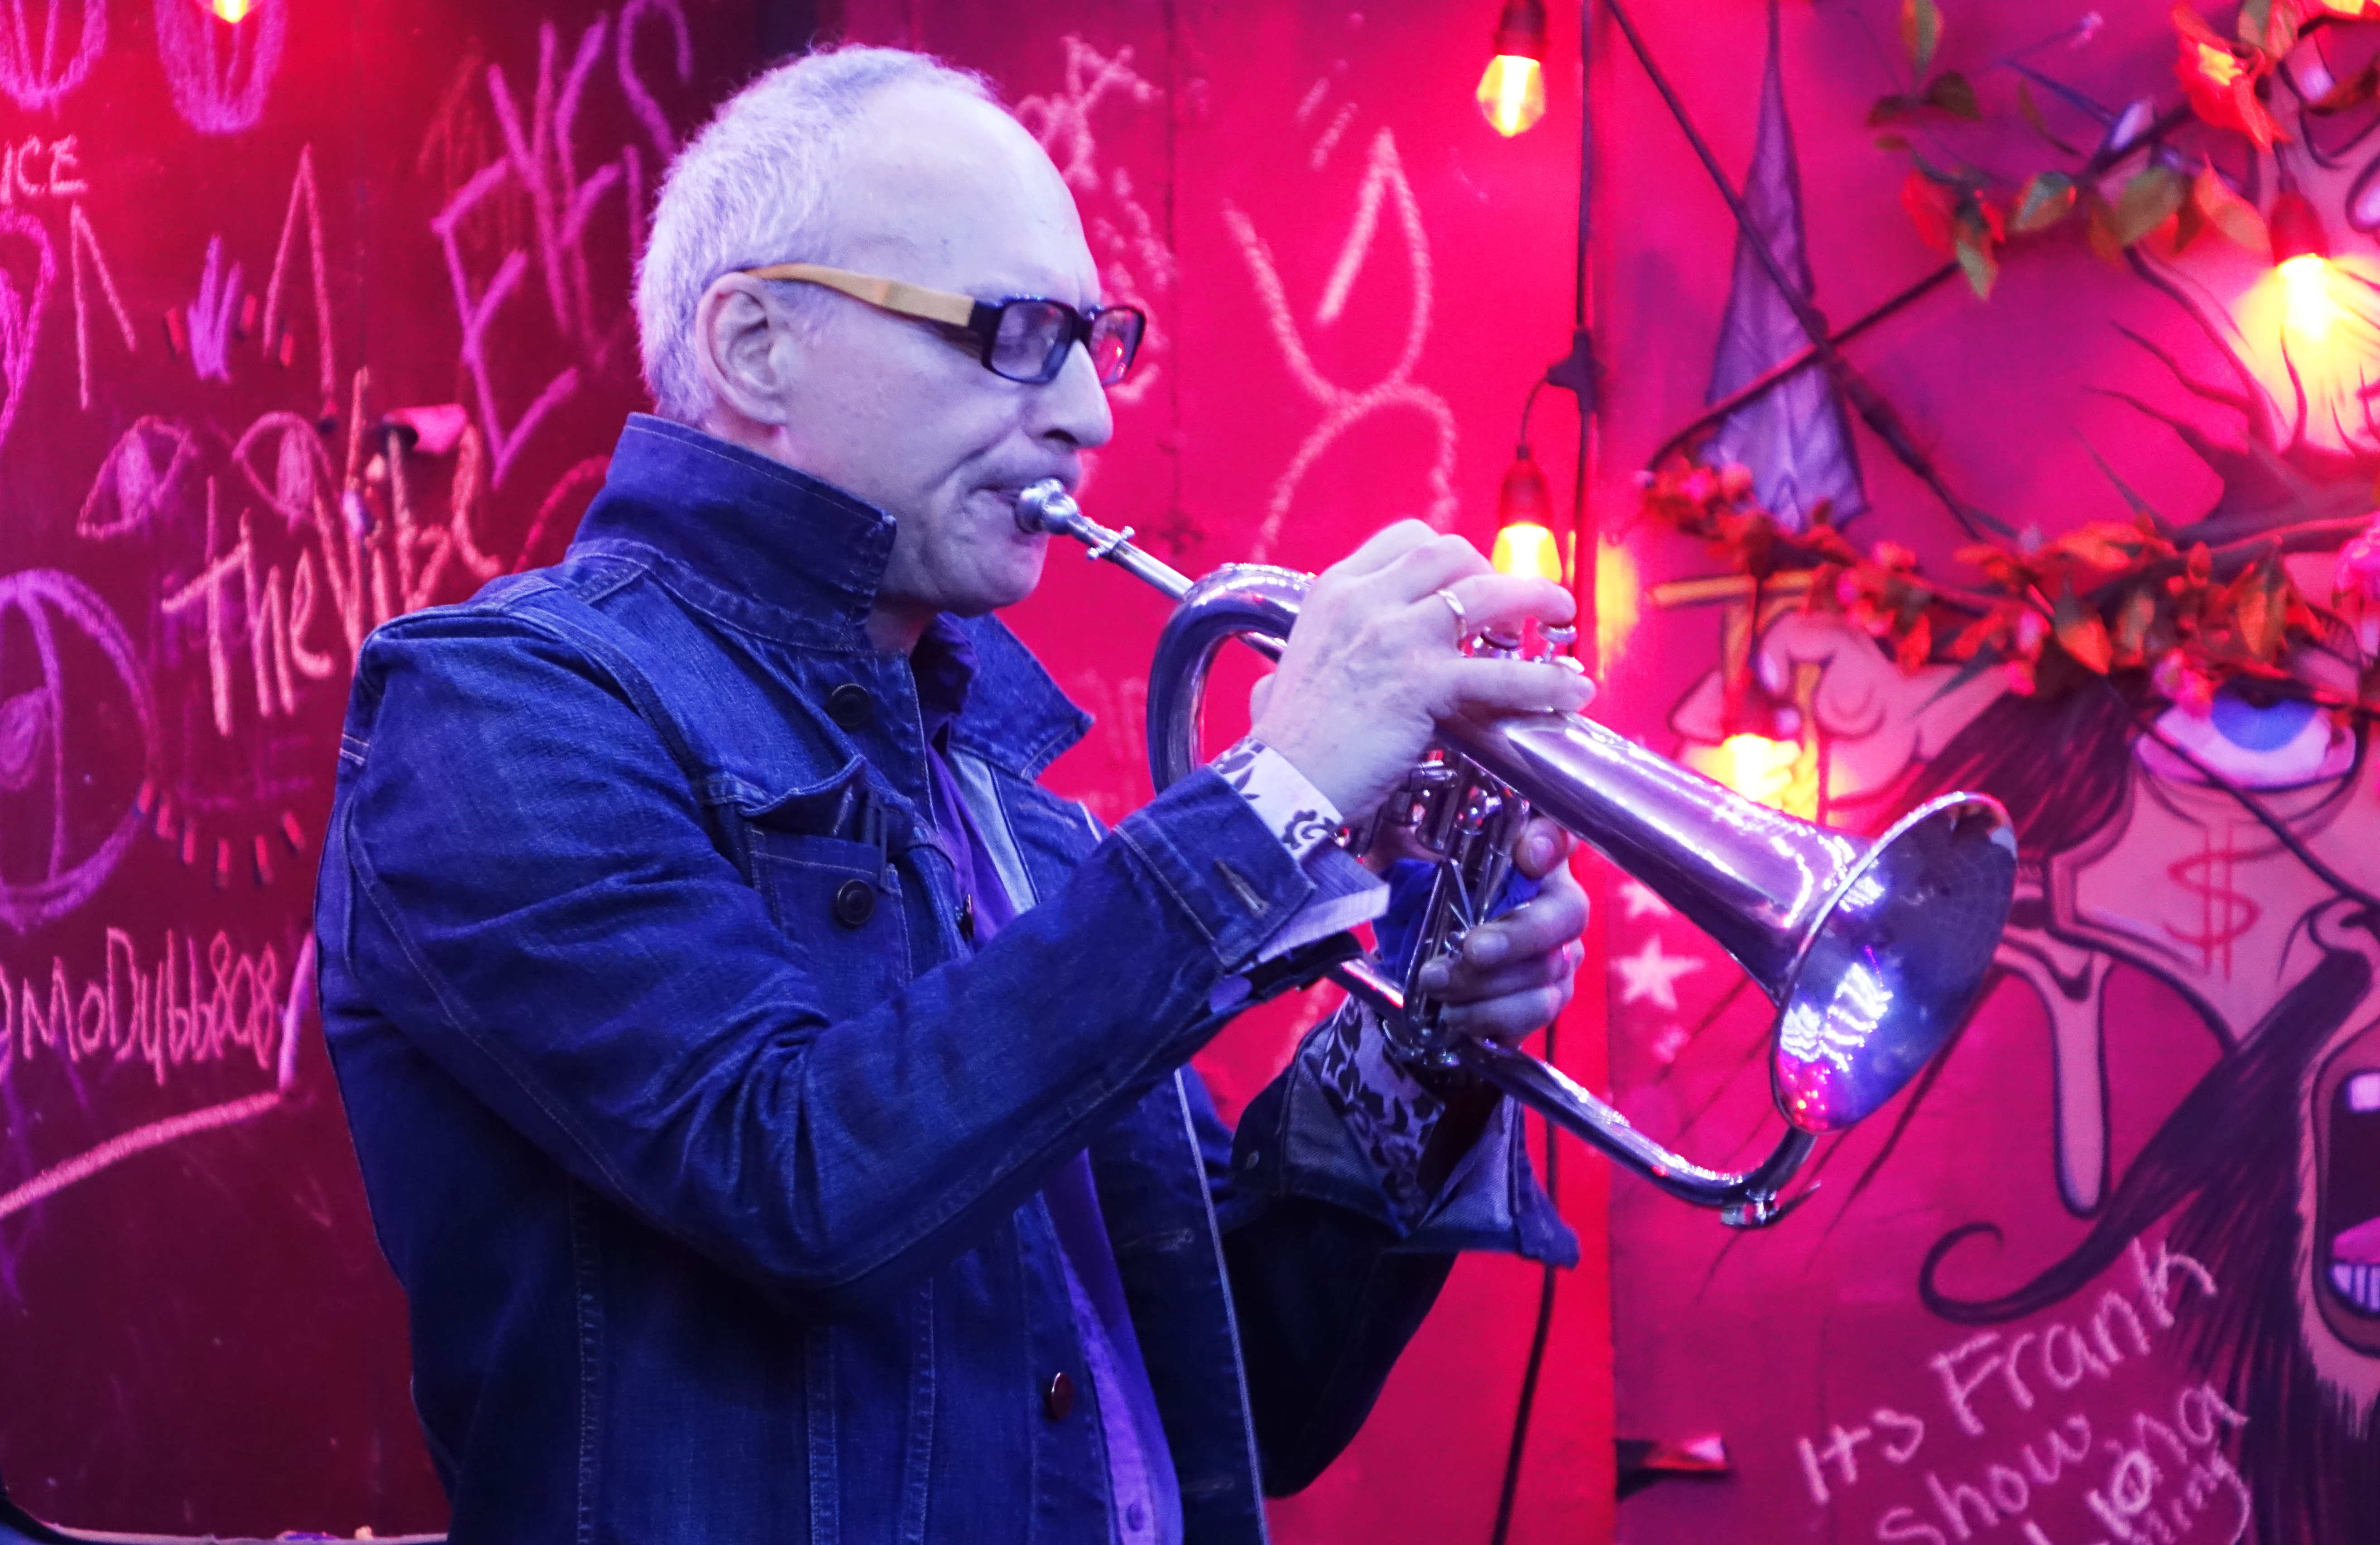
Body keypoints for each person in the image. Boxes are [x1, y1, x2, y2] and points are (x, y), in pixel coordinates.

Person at [316, 44, 1593, 1545]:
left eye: (1094, 341)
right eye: (1013, 335)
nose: (1088, 418)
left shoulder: (1009, 803)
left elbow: (1242, 1390)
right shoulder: (500, 702)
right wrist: (1274, 797)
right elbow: (795, 1174)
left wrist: (1424, 1040)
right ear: (757, 346)